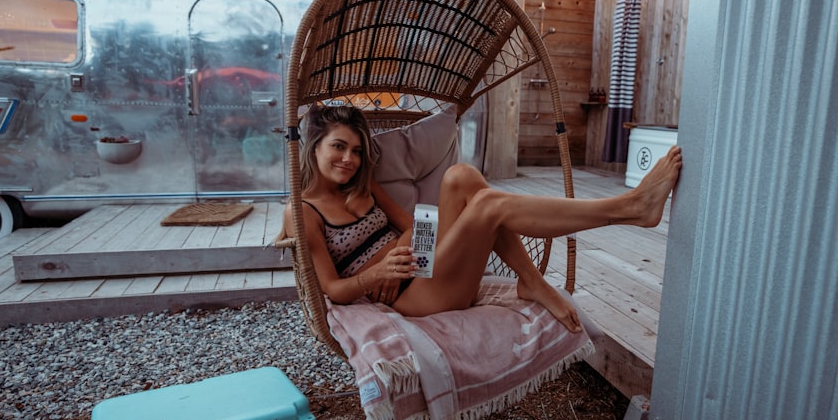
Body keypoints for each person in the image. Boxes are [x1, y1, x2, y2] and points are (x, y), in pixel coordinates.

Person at [284, 105, 682, 333]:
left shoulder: (364, 186)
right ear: (314, 147)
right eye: (338, 147)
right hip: (410, 300)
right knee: (489, 206)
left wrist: (398, 260)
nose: (349, 160)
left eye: (355, 150)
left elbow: (415, 226)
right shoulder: (302, 211)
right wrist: (376, 274)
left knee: (462, 177)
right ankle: (628, 207)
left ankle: (531, 282)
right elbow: (332, 289)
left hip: (418, 265)